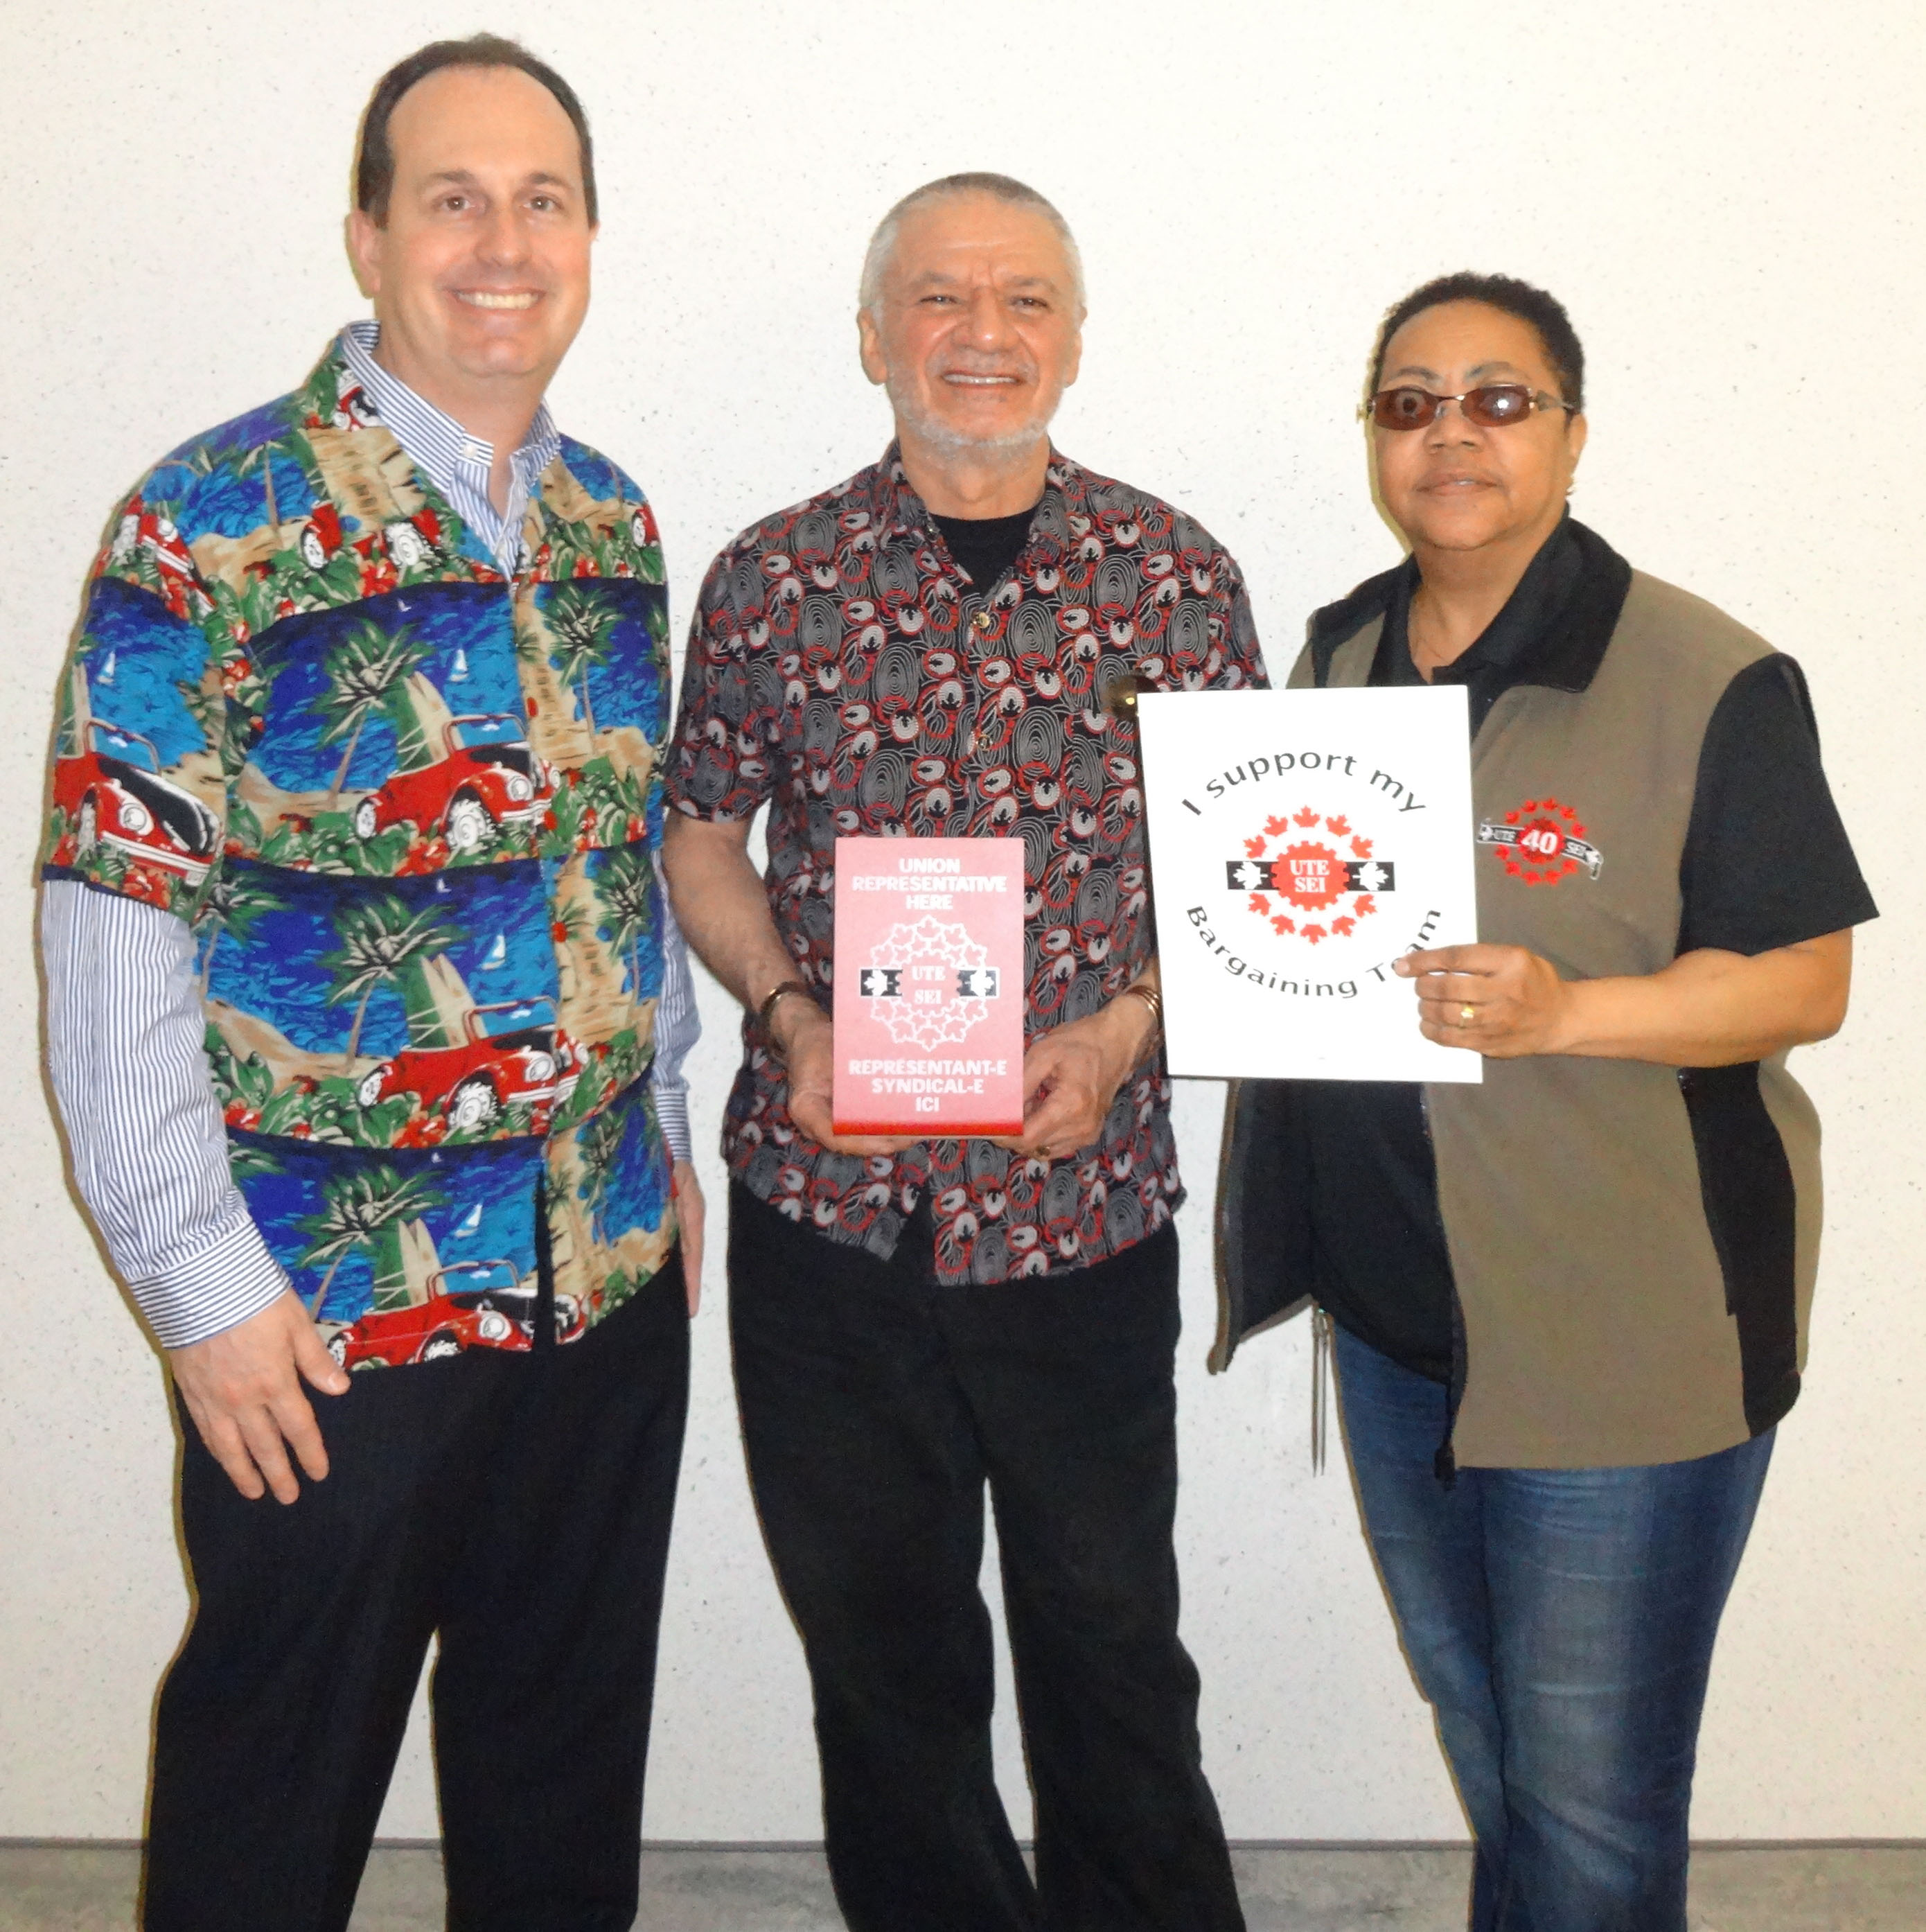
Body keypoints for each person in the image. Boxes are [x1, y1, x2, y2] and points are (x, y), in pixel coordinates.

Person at [39, 36, 702, 1931]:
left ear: (588, 238)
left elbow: (614, 876)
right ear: (368, 234)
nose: (504, 241)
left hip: (602, 1291)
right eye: (453, 197)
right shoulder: (210, 518)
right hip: (322, 1321)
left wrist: (658, 1168)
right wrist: (196, 1284)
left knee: (559, 1793)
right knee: (272, 1793)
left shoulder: (612, 528)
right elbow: (112, 906)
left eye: (544, 198)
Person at [1216, 272, 1876, 1931]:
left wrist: (1576, 1008)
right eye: (1410, 400)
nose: (1452, 435)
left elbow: (1805, 982)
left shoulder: (1705, 673)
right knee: (1496, 1747)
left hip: (1620, 1337)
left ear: (1574, 432)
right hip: (1395, 1326)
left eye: (1498, 399)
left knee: (1587, 1803)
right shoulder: (1338, 650)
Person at [662, 173, 1257, 1932]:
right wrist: (789, 1018)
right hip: (828, 1220)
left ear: (1073, 339)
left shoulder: (1174, 572)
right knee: (887, 1669)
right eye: (937, 298)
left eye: (1022, 300)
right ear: (872, 337)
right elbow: (700, 829)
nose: (979, 334)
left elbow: (1243, 864)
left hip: (1078, 1209)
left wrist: (1122, 1026)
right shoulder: (774, 574)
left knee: (1110, 1645)